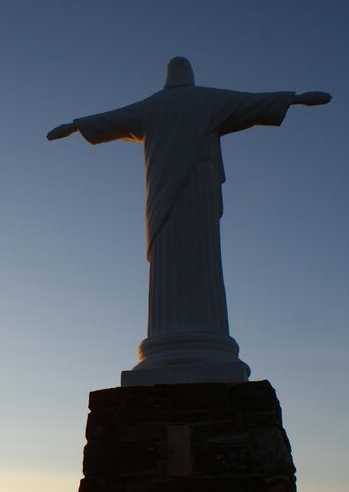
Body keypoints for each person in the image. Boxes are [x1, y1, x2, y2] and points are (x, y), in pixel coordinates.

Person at [48, 57, 330, 385]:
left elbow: (113, 119)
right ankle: (184, 344)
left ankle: (195, 342)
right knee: (187, 258)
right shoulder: (205, 99)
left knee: (194, 259)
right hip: (192, 189)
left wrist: (75, 125)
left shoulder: (154, 106)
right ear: (190, 76)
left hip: (185, 192)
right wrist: (295, 98)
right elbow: (250, 103)